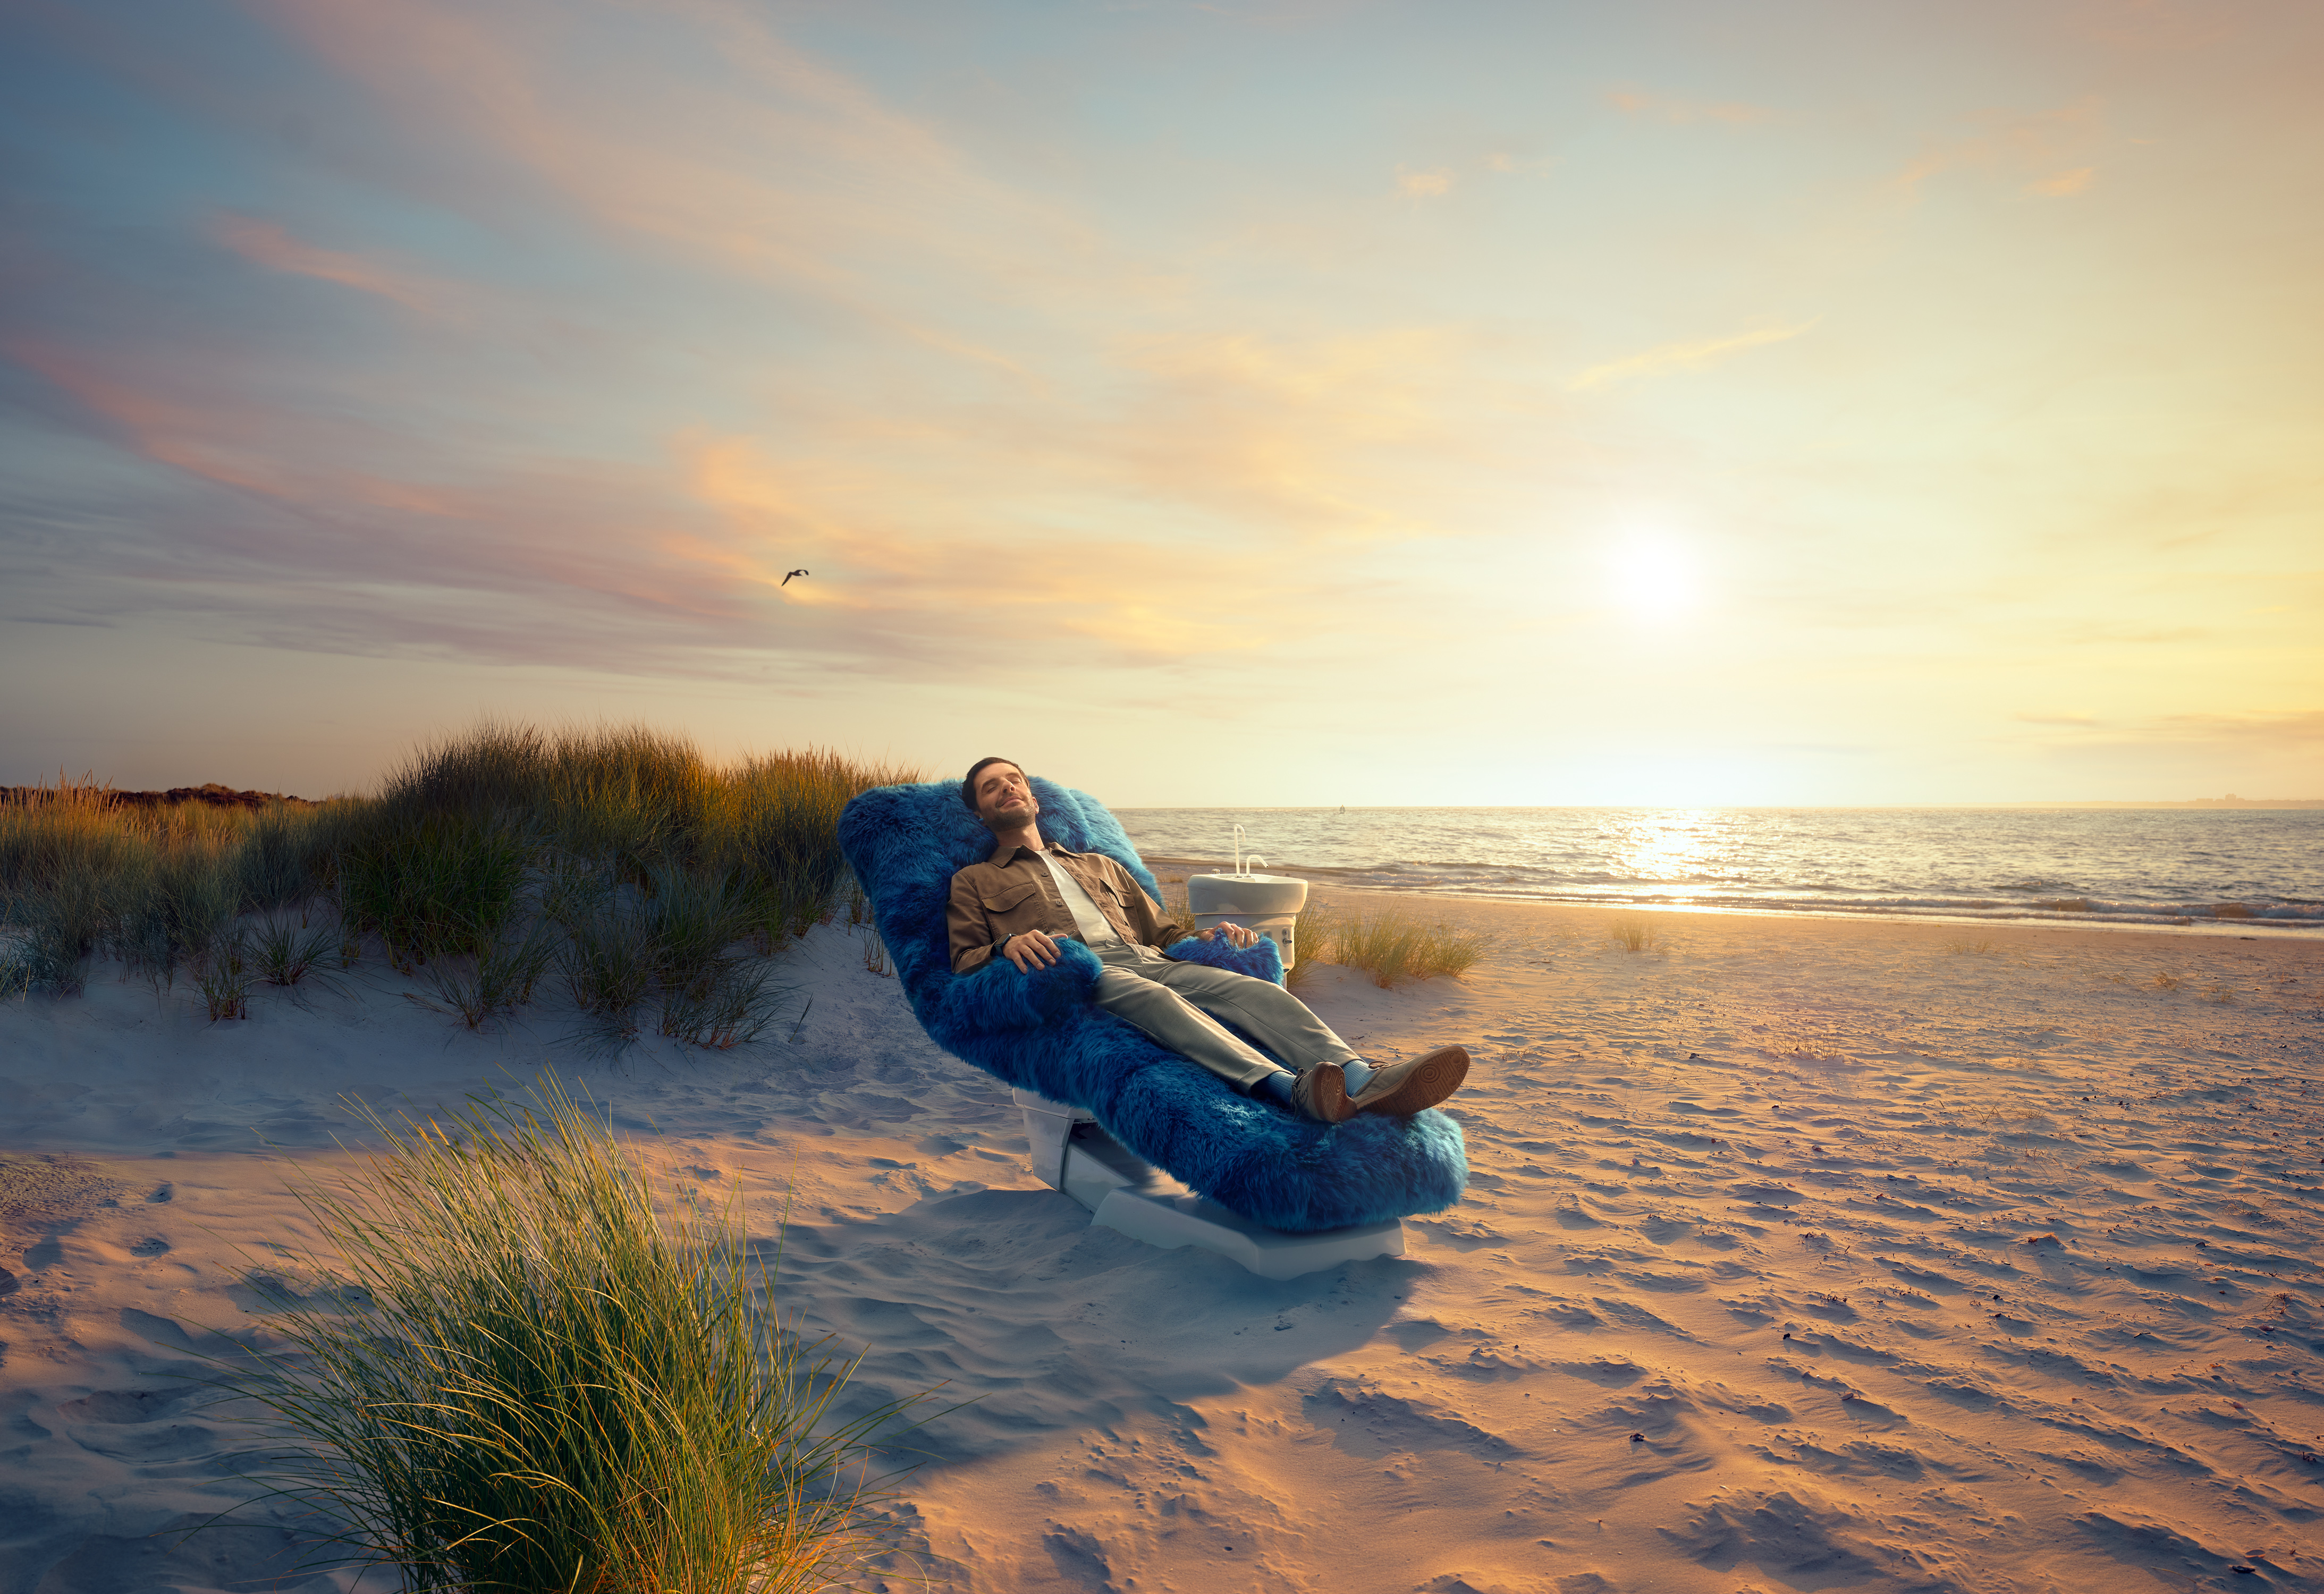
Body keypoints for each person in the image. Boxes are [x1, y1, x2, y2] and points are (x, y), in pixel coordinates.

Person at [945, 757, 1468, 1124]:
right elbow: (963, 960)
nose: (1006, 788)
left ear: (1033, 798)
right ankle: (1289, 1090)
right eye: (992, 787)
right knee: (1153, 998)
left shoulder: (1100, 865)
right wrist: (1005, 945)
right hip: (1078, 973)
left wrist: (1214, 936)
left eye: (1013, 780)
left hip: (1143, 958)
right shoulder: (975, 880)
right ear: (980, 812)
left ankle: (1358, 1079)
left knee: (1257, 991)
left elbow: (1163, 934)